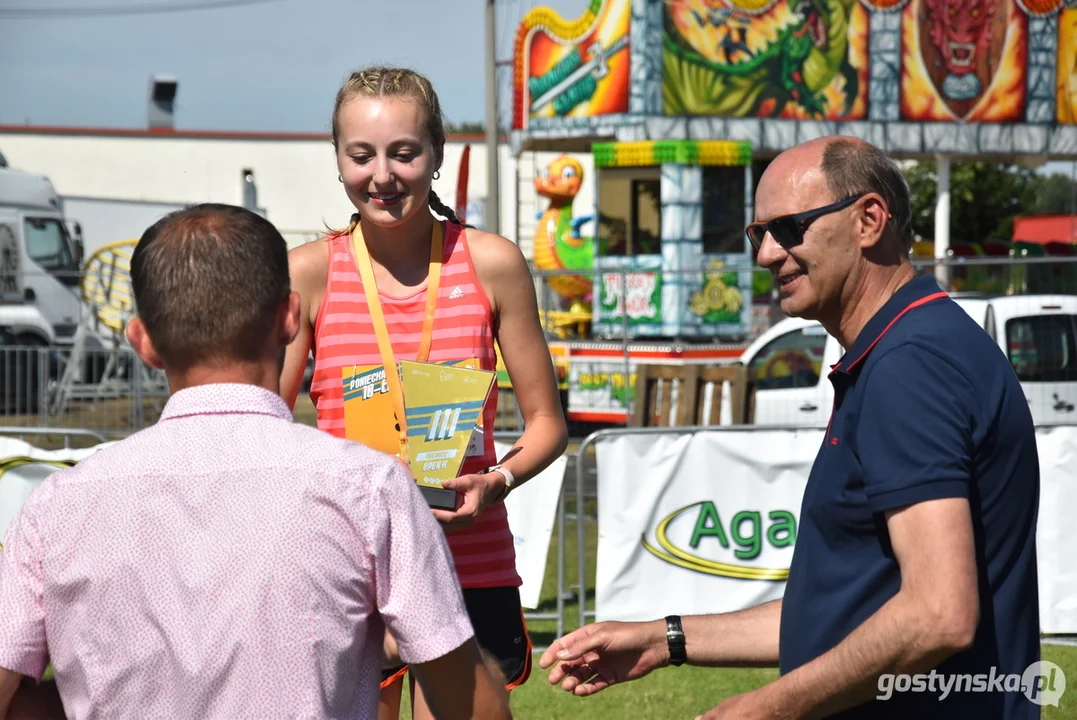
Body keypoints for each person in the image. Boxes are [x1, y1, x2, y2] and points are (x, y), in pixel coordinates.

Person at [539, 137, 1041, 719]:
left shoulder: (911, 364)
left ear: (869, 220)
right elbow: (836, 616)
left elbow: (937, 615)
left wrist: (768, 707)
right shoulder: (909, 344)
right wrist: (664, 638)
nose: (766, 255)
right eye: (759, 234)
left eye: (789, 228)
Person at [0, 204, 512, 720]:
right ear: (290, 318)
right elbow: (474, 707)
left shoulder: (56, 507)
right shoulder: (369, 489)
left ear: (144, 342)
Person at [280, 67, 568, 719]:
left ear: (435, 154)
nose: (382, 175)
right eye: (361, 155)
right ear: (338, 161)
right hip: (348, 568)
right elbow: (265, 424)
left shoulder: (490, 263)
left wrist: (496, 481)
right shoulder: (308, 272)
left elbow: (547, 423)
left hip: (469, 558)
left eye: (403, 152)